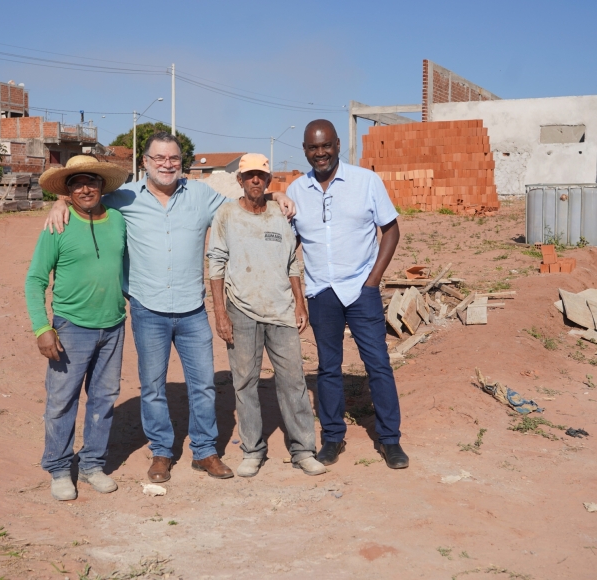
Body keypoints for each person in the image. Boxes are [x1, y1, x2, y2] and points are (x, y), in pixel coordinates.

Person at [43, 133, 296, 483]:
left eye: (173, 158)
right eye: (159, 158)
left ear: (182, 162)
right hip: (148, 309)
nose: (167, 164)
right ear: (145, 162)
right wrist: (59, 202)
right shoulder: (125, 197)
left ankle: (204, 451)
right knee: (152, 387)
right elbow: (85, 198)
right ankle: (161, 452)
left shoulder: (201, 195)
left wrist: (275, 195)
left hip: (192, 310)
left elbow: (242, 205)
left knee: (203, 385)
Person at [287, 119, 409, 469]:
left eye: (326, 145)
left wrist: (373, 280)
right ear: (305, 150)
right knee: (328, 368)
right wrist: (299, 296)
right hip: (321, 292)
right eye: (313, 147)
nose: (320, 153)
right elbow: (289, 245)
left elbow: (390, 230)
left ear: (338, 144)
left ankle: (390, 440)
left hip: (360, 289)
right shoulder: (296, 190)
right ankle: (332, 438)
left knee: (378, 364)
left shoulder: (366, 181)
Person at [207, 153, 327, 478]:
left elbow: (292, 262)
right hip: (241, 311)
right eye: (249, 176)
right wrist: (220, 313)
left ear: (269, 180)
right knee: (245, 382)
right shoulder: (227, 215)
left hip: (281, 310)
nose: (255, 181)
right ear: (240, 180)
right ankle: (252, 450)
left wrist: (299, 303)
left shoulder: (280, 214)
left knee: (293, 381)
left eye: (260, 176)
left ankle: (303, 450)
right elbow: (216, 264)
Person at [25, 156, 129, 501]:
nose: (85, 189)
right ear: (67, 191)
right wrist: (42, 327)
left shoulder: (117, 219)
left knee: (104, 398)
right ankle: (58, 468)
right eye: (76, 183)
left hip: (113, 326)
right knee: (61, 401)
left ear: (102, 186)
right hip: (71, 327)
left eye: (92, 181)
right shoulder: (58, 224)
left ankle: (92, 465)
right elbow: (35, 279)